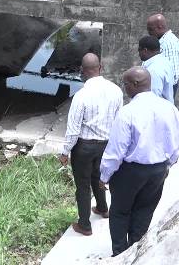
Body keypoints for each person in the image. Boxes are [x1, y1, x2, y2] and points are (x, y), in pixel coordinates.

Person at [99, 66, 179, 256]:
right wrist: (167, 165)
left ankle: (119, 254)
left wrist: (104, 176)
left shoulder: (128, 112)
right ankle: (136, 252)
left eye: (125, 84)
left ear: (135, 84)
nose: (124, 88)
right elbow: (175, 144)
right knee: (144, 211)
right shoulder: (169, 108)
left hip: (130, 171)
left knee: (120, 212)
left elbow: (116, 151)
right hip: (158, 170)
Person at [58, 53, 123, 236]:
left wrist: (65, 152)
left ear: (82, 71)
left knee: (83, 186)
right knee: (99, 177)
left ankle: (84, 225)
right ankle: (103, 208)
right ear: (100, 67)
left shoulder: (81, 96)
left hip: (84, 147)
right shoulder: (116, 90)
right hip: (105, 144)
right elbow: (119, 121)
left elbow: (73, 129)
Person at [147, 14, 179, 97]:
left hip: (164, 87)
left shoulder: (168, 43)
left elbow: (173, 73)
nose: (149, 33)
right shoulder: (162, 40)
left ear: (160, 27)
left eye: (151, 29)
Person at [138, 35, 174, 103]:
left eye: (139, 50)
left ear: (145, 50)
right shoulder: (165, 61)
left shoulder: (153, 70)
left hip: (158, 109)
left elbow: (153, 96)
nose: (139, 54)